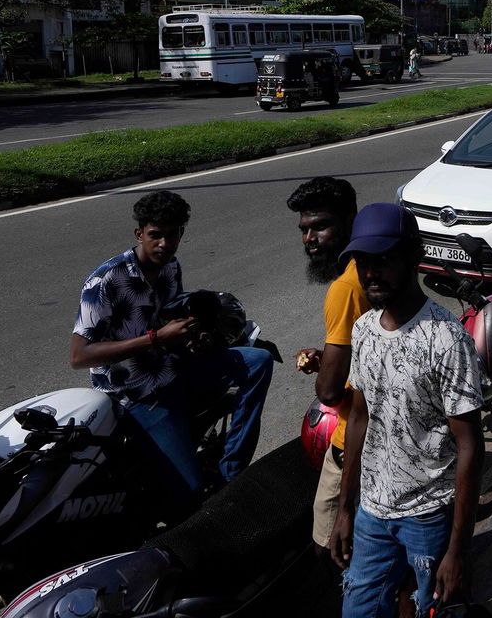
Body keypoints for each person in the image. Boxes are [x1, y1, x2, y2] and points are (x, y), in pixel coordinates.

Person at [70, 190, 273, 506]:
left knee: (258, 360)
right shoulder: (107, 281)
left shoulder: (170, 267)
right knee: (188, 495)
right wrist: (155, 339)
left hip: (175, 367)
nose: (164, 244)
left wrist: (191, 338)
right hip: (138, 394)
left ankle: (231, 474)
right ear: (139, 234)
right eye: (155, 235)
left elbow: (171, 317)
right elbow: (79, 356)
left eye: (172, 234)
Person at [333, 204, 484, 618]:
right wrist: (345, 509)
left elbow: (469, 446)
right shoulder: (363, 329)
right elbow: (359, 419)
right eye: (363, 262)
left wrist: (458, 550)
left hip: (429, 516)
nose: (370, 273)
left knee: (435, 609)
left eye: (383, 260)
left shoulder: (447, 340)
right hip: (372, 513)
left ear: (412, 256)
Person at [288, 177, 370, 555]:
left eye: (320, 226)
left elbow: (329, 391)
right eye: (305, 229)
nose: (309, 239)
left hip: (352, 438)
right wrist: (328, 359)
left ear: (350, 219)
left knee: (329, 548)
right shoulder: (371, 267)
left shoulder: (345, 289)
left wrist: (325, 371)